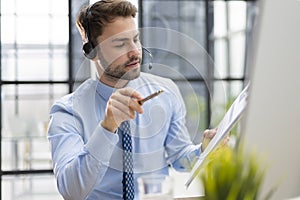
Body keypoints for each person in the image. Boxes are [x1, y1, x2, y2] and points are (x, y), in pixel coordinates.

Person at [47, 0, 224, 199]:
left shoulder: (166, 92)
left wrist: (203, 150)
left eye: (136, 39)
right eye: (120, 44)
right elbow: (72, 191)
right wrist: (107, 126)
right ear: (92, 52)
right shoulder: (67, 112)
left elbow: (180, 157)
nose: (135, 52)